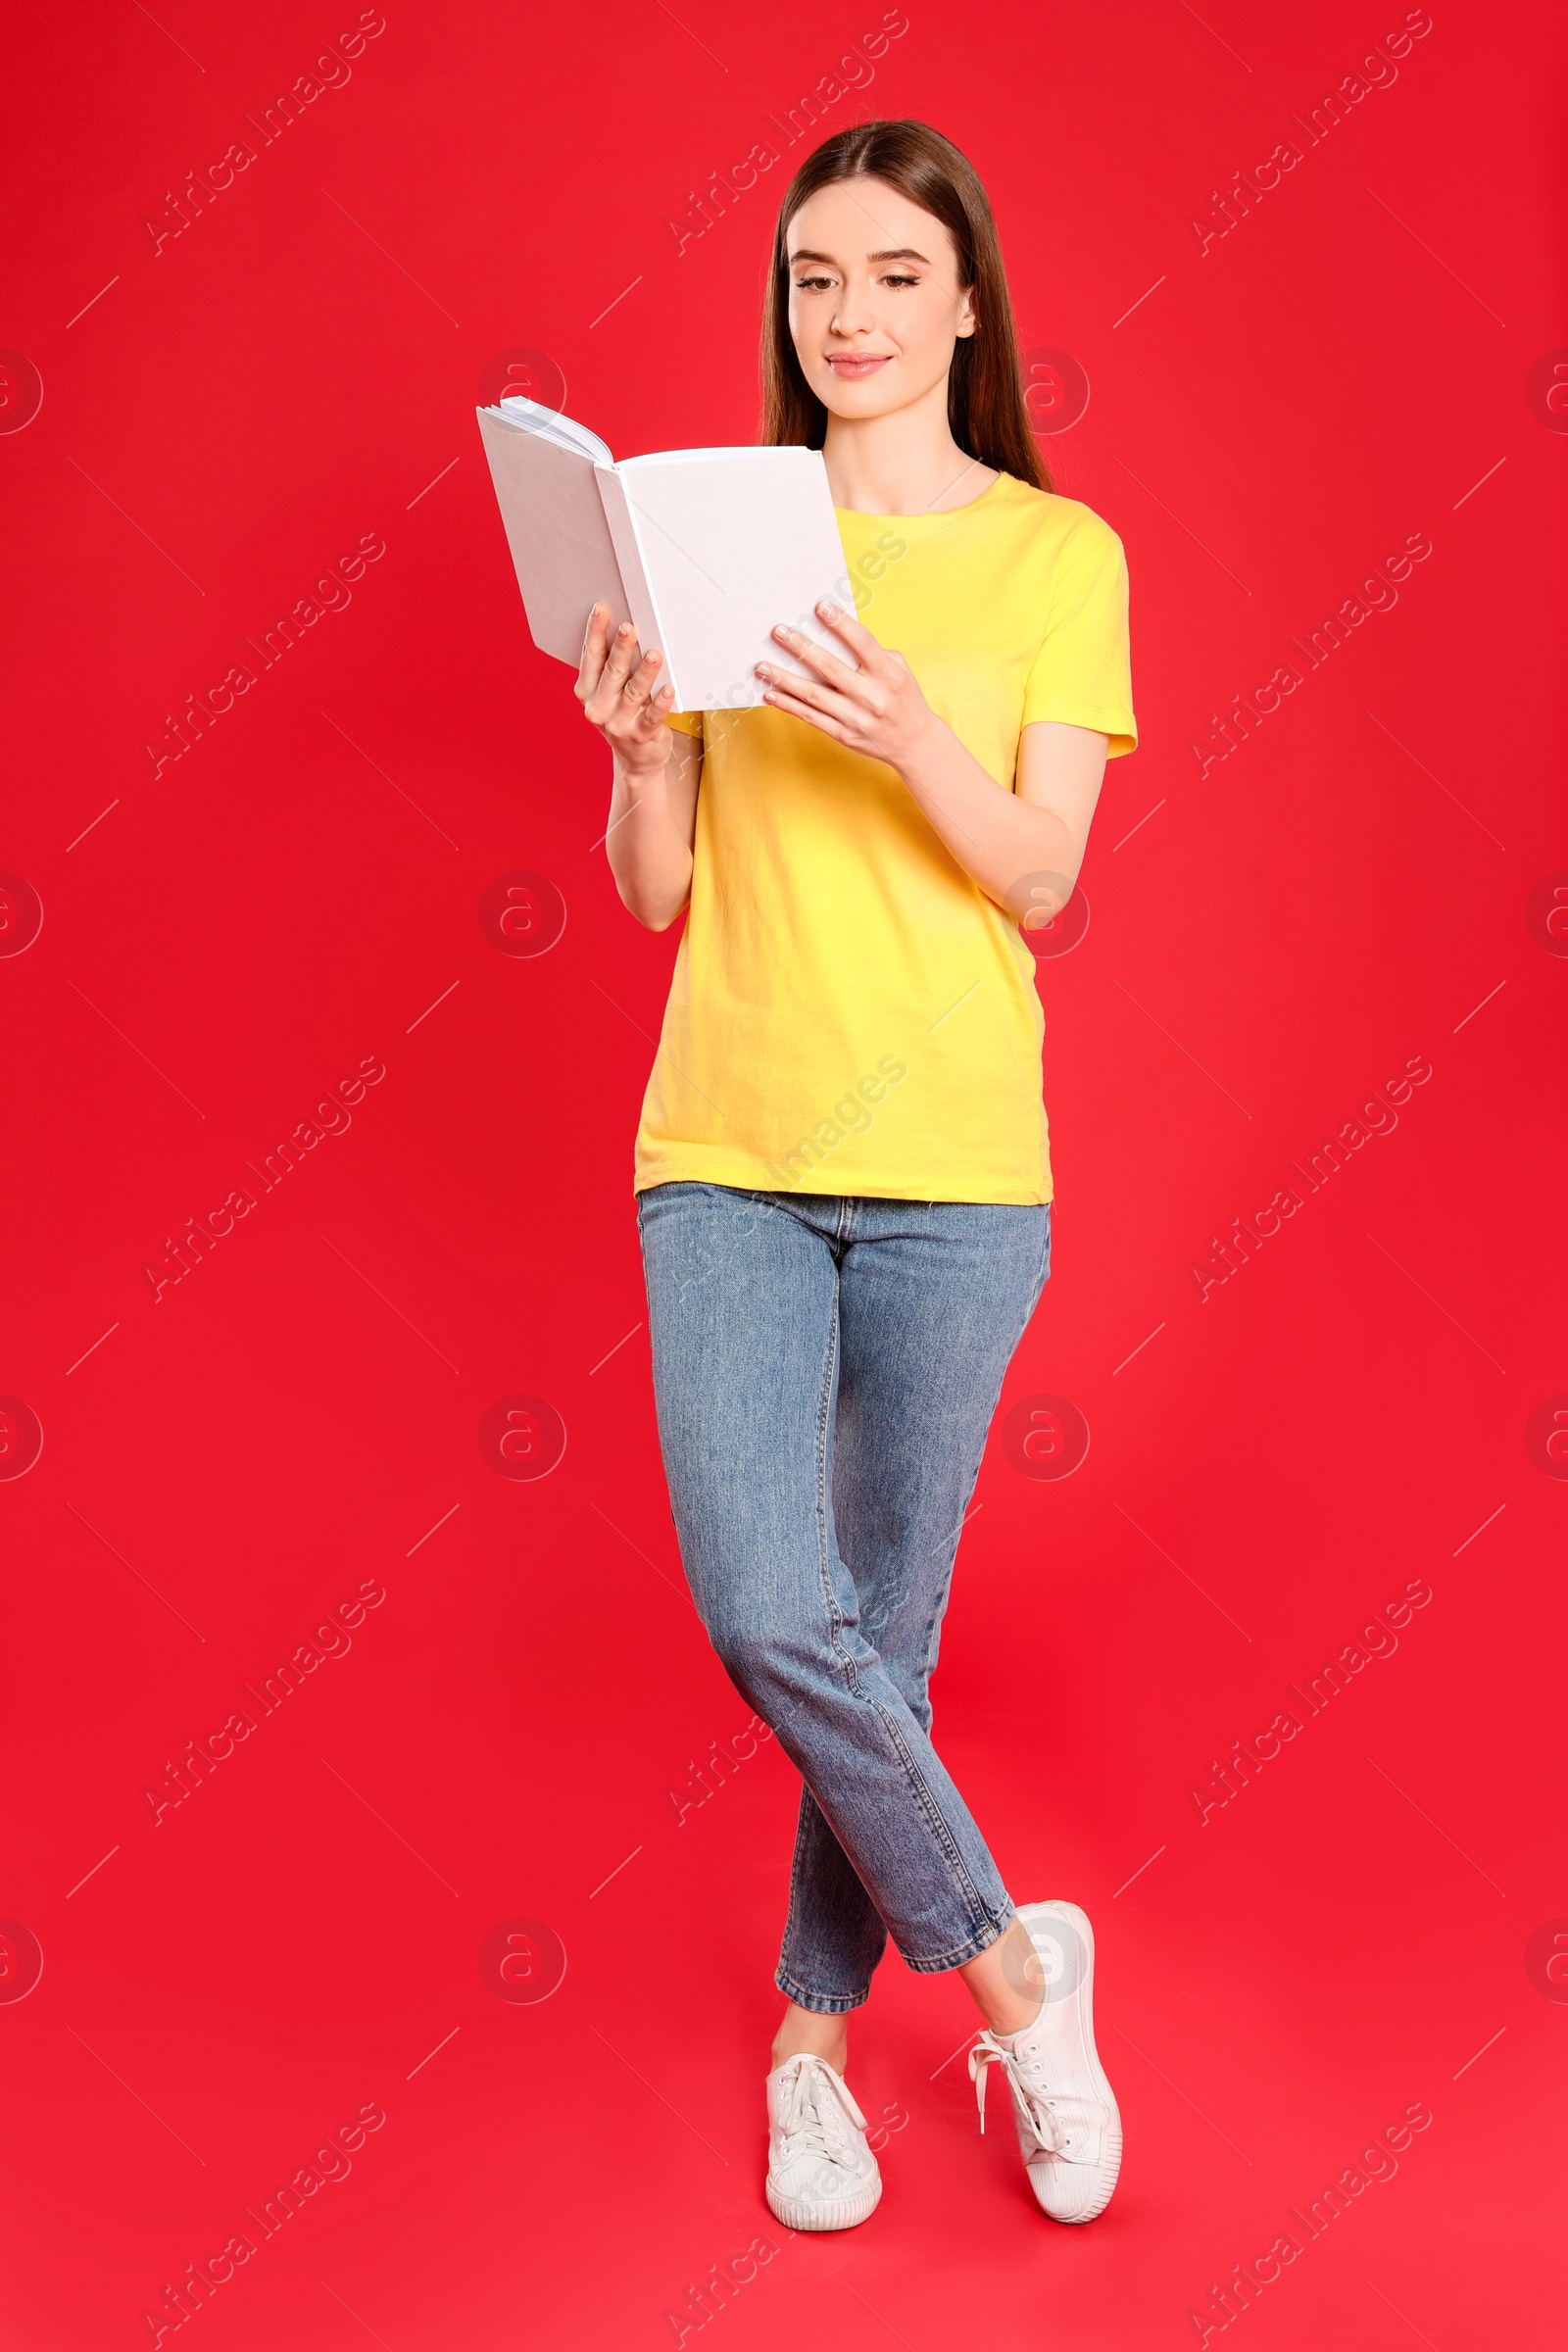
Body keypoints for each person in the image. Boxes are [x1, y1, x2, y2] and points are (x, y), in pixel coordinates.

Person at [575, 118, 1137, 2231]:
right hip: (719, 1140)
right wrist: (645, 748)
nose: (852, 315)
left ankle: (813, 2052)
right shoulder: (712, 533)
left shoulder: (1052, 560)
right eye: (816, 278)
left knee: (869, 1647)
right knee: (766, 1605)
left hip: (952, 1167)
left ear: (966, 303)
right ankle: (1016, 1974)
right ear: (784, 309)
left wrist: (906, 726)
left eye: (896, 275)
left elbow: (1047, 875)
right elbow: (652, 896)